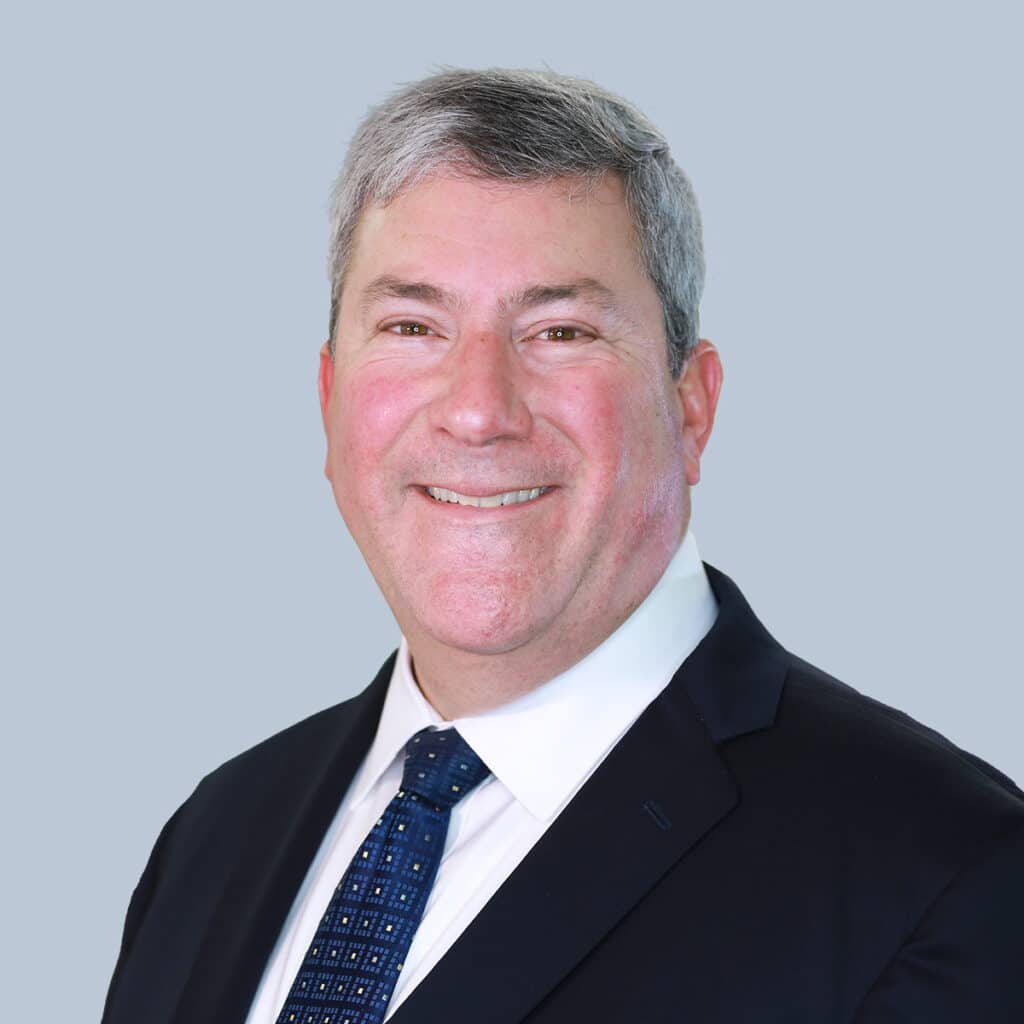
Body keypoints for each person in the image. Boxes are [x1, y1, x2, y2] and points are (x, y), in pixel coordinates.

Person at [101, 68, 1024, 1023]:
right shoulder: (217, 834)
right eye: (413, 325)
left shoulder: (942, 875)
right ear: (330, 401)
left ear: (692, 406)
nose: (477, 409)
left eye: (560, 330)